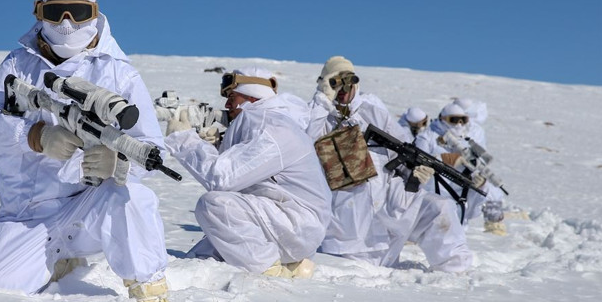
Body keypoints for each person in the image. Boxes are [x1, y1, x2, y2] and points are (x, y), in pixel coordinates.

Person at [0, 0, 171, 302]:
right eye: (56, 12)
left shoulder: (119, 74)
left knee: (131, 197)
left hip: (87, 208)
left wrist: (115, 162)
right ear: (39, 12)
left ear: (95, 14)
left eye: (78, 12)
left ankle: (150, 291)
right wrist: (34, 136)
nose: (66, 22)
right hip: (27, 217)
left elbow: (148, 144)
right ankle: (61, 265)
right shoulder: (18, 64)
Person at [307, 56, 473, 272]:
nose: (344, 88)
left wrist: (415, 173)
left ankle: (456, 274)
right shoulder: (314, 116)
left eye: (349, 81)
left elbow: (403, 149)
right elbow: (305, 143)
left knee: (439, 208)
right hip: (347, 223)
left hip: (388, 206)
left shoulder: (373, 113)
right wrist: (323, 100)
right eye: (336, 82)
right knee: (361, 273)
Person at [164, 67, 331, 278]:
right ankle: (294, 267)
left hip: (295, 225)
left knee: (213, 205)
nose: (226, 105)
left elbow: (222, 179)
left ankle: (272, 272)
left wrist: (184, 140)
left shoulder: (269, 124)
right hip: (275, 222)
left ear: (252, 97)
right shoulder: (268, 121)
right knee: (197, 263)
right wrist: (216, 146)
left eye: (231, 97)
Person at [415, 103, 507, 235]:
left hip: (459, 192)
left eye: (463, 120)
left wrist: (480, 181)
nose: (458, 124)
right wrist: (447, 158)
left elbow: (478, 164)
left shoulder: (468, 139)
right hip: (433, 189)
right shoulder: (428, 136)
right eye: (453, 120)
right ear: (443, 119)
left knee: (489, 188)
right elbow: (419, 161)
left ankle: (494, 225)